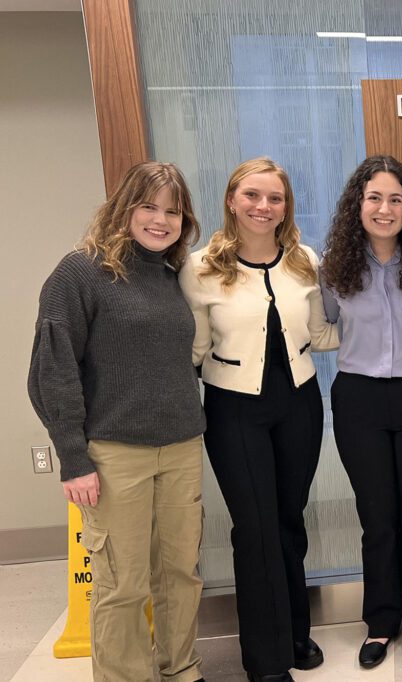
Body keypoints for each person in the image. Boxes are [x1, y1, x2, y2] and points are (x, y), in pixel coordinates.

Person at [28, 161, 207, 681]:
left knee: (180, 574)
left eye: (173, 211)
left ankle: (181, 669)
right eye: (148, 207)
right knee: (123, 583)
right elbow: (52, 371)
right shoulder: (80, 272)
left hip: (180, 446)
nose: (160, 220)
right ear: (123, 208)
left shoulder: (173, 276)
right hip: (114, 453)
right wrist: (73, 458)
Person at [179, 157, 337, 682]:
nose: (263, 206)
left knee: (289, 521)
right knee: (256, 530)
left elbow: (321, 335)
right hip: (234, 410)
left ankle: (295, 634)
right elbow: (194, 349)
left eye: (275, 198)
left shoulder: (305, 261)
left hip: (299, 404)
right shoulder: (200, 268)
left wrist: (386, 326)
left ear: (286, 207)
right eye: (252, 195)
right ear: (231, 200)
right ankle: (266, 662)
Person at [320, 155, 402, 670]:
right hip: (360, 398)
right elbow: (327, 323)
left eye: (395, 199)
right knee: (376, 517)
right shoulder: (334, 265)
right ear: (358, 205)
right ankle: (380, 621)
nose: (385, 208)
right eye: (374, 198)